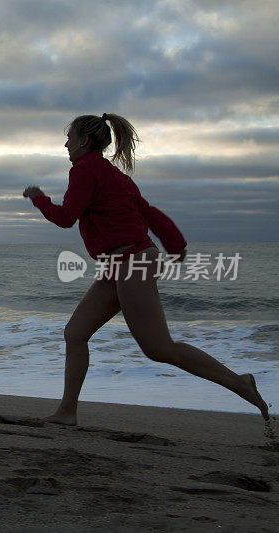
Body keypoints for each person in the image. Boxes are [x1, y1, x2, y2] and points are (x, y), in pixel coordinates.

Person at [23, 112, 269, 425]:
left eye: (69, 138)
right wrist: (175, 244)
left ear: (84, 141)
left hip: (131, 262)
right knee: (75, 333)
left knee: (159, 348)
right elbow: (148, 212)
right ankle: (67, 412)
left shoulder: (85, 170)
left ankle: (240, 383)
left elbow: (66, 217)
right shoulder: (115, 176)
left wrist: (38, 198)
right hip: (122, 262)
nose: (65, 144)